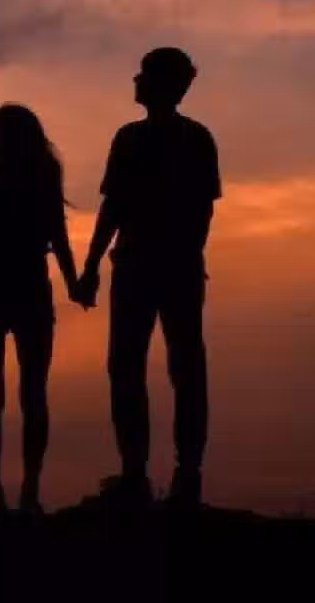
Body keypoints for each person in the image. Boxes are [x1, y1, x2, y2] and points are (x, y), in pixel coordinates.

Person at [78, 48, 221, 508]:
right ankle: (164, 475)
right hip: (163, 267)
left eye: (143, 74)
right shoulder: (189, 138)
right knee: (169, 368)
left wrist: (91, 266)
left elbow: (115, 209)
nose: (135, 80)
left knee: (156, 368)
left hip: (147, 266)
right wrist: (93, 265)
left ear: (160, 84)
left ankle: (159, 475)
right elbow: (199, 212)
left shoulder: (143, 139)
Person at [0, 103, 81, 517]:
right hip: (26, 293)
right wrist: (74, 284)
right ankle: (23, 492)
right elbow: (59, 240)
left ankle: (2, 494)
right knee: (28, 395)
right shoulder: (38, 184)